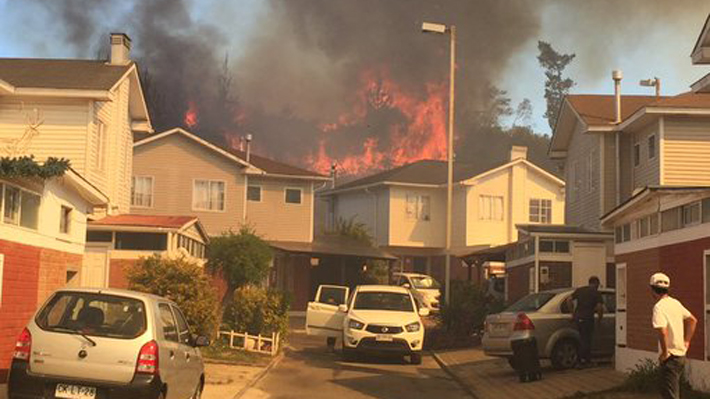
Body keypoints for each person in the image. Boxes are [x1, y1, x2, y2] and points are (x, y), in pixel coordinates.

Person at [650, 272, 697, 399]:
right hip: (681, 355)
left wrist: (665, 352)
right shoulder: (675, 303)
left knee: (670, 395)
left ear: (652, 290)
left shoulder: (658, 307)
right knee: (672, 391)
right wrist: (687, 341)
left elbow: (662, 331)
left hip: (670, 357)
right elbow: (693, 320)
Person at [568, 276, 604, 368]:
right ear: (596, 283)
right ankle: (580, 361)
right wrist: (600, 319)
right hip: (588, 318)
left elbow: (569, 300)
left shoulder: (580, 290)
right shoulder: (596, 293)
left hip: (578, 317)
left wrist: (572, 313)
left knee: (582, 338)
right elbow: (600, 307)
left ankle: (587, 360)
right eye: (598, 284)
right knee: (586, 340)